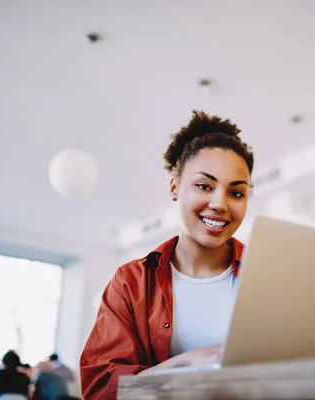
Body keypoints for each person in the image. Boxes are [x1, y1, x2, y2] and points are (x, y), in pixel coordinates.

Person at [80, 111, 254, 400]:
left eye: (236, 193)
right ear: (175, 188)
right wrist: (187, 364)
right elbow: (99, 388)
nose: (219, 204)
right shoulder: (131, 282)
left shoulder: (267, 276)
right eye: (204, 186)